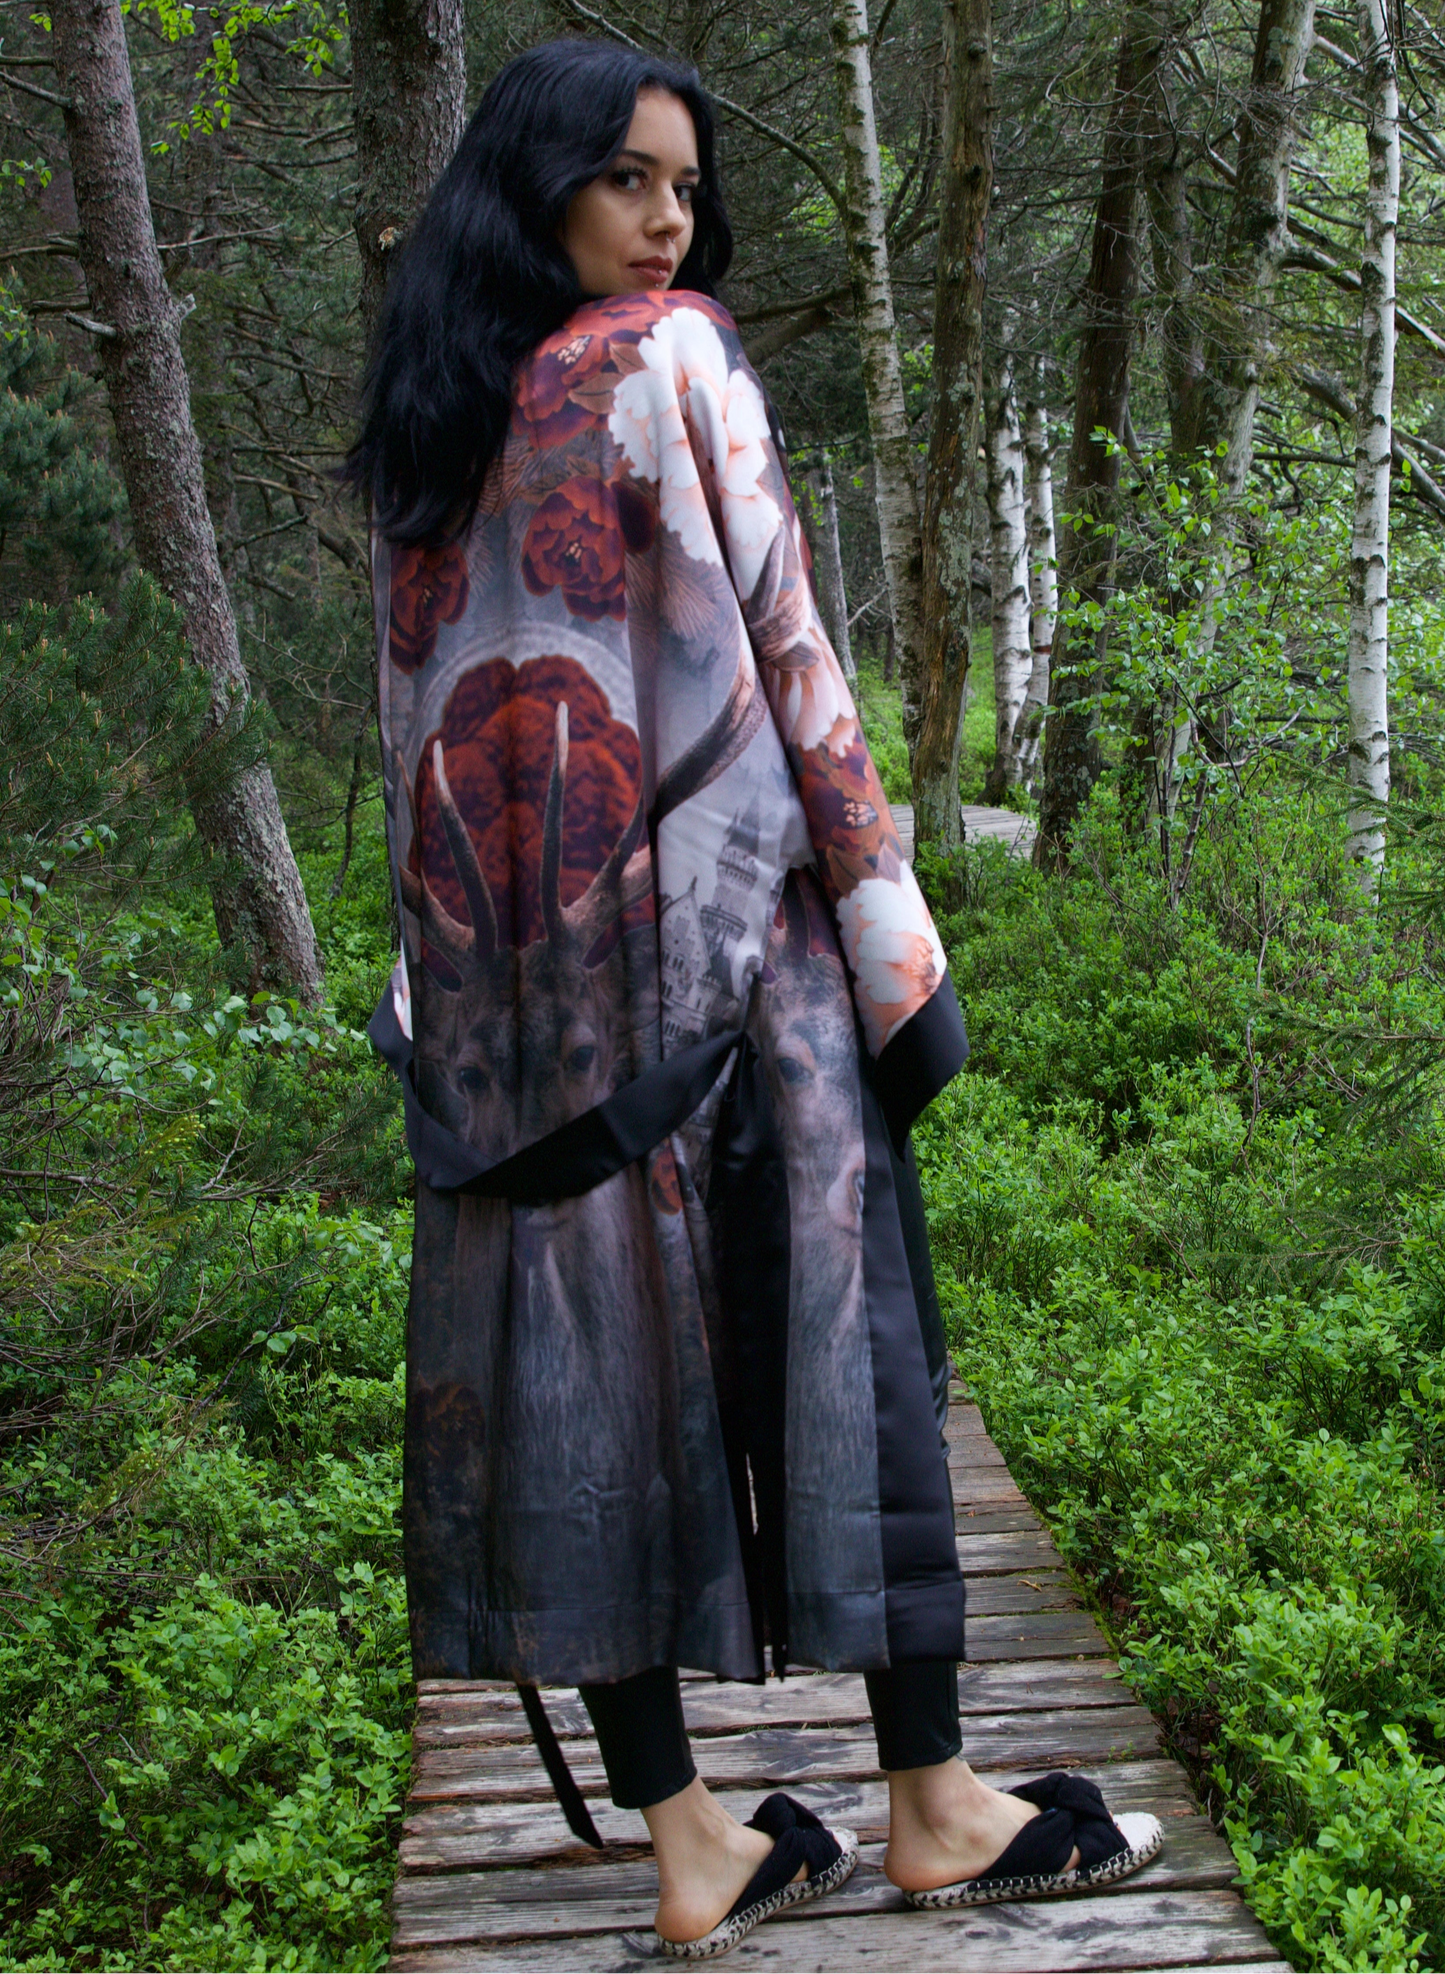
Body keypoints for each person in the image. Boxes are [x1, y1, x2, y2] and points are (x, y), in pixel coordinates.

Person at [348, 36, 1161, 1958]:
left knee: (582, 1390)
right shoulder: (676, 356)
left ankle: (696, 1839)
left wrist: (430, 992)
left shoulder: (427, 422)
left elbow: (399, 730)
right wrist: (897, 950)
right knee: (861, 1339)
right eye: (629, 178)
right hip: (738, 952)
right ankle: (938, 1802)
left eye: (685, 189)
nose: (665, 220)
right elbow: (789, 650)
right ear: (538, 182)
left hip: (529, 1004)